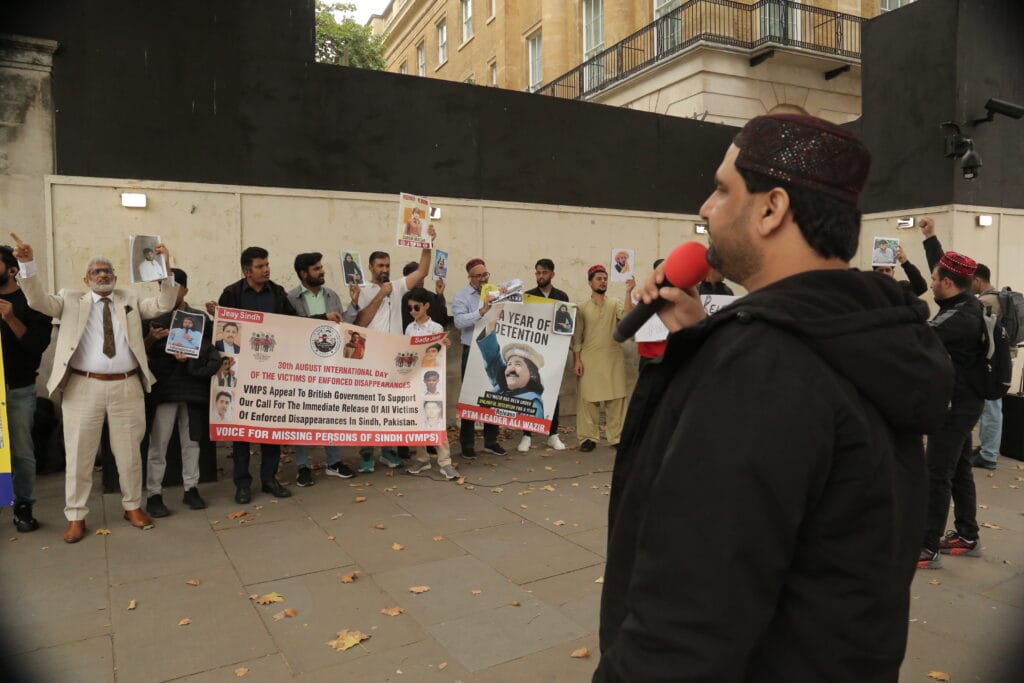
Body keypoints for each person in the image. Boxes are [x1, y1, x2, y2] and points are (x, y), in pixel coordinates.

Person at [596, 114, 953, 680]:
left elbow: (685, 624)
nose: (705, 209)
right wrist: (695, 339)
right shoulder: (868, 335)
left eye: (721, 188)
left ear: (771, 208)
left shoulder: (762, 367)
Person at [12, 233, 179, 543]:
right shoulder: (70, 300)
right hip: (82, 387)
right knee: (79, 454)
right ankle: (76, 515)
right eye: (96, 272)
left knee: (129, 453)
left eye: (108, 271)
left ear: (115, 277)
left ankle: (132, 506)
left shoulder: (128, 299)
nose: (103, 275)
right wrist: (27, 264)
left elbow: (163, 304)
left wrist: (165, 271)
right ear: (86, 279)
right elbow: (36, 300)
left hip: (127, 387)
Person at [916, 217, 988, 569]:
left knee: (937, 472)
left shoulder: (958, 318)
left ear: (947, 284)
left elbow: (918, 338)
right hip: (965, 400)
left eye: (933, 279)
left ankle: (926, 547)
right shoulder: (964, 301)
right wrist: (930, 238)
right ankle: (967, 534)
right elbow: (943, 267)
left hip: (957, 405)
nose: (930, 281)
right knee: (958, 469)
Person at [216, 246, 297, 504]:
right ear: (246, 271)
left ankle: (270, 479)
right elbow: (223, 332)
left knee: (269, 426)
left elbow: (295, 324)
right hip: (241, 372)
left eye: (267, 265)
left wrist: (323, 319)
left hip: (271, 370)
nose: (266, 270)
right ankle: (242, 483)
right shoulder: (232, 293)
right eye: (260, 266)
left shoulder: (278, 293)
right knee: (241, 429)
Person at [354, 229, 435, 472]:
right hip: (370, 358)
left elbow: (421, 271)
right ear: (370, 267)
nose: (384, 269)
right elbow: (360, 323)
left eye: (387, 265)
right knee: (369, 409)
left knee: (390, 406)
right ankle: (367, 454)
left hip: (395, 359)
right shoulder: (362, 290)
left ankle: (388, 452)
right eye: (380, 265)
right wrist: (381, 294)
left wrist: (428, 244)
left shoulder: (397, 286)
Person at [142, 268, 220, 517]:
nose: (168, 292)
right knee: (159, 444)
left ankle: (191, 488)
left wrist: (189, 359)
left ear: (185, 289)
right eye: (163, 287)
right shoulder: (151, 316)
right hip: (164, 389)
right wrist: (152, 339)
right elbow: (138, 354)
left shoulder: (199, 318)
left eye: (174, 287)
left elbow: (211, 351)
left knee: (192, 442)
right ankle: (154, 493)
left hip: (193, 387)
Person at [287, 252, 356, 486]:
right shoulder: (291, 298)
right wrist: (323, 319)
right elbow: (292, 328)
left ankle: (334, 462)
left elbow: (344, 325)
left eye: (321, 267)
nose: (322, 271)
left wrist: (354, 305)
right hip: (303, 367)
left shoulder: (332, 295)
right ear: (303, 274)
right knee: (303, 417)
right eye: (316, 269)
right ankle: (302, 465)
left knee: (330, 413)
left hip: (329, 366)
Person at [0, 245, 53, 533]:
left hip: (17, 389)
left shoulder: (31, 301)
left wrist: (10, 318)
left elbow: (37, 346)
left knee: (21, 451)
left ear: (11, 269)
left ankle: (23, 506)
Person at [572, 265, 633, 452]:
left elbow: (627, 317)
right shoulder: (582, 307)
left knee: (616, 400)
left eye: (605, 278)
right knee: (588, 401)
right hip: (589, 359)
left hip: (612, 358)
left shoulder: (615, 303)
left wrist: (629, 292)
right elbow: (577, 337)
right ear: (590, 282)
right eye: (598, 278)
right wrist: (577, 360)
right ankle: (588, 438)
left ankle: (616, 437)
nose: (602, 281)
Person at [403, 287, 459, 480]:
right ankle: (422, 457)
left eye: (416, 307)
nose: (412, 312)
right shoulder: (410, 328)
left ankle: (445, 461)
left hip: (433, 378)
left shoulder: (435, 328)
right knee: (417, 418)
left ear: (426, 306)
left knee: (435, 416)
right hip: (415, 378)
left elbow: (440, 352)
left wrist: (444, 345)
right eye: (409, 308)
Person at [452, 258, 506, 458]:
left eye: (486, 274)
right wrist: (480, 311)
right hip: (471, 350)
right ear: (470, 277)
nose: (484, 279)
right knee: (471, 397)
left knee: (493, 394)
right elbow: (458, 322)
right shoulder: (462, 296)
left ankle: (491, 441)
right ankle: (467, 444)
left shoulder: (495, 292)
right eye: (479, 276)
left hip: (492, 347)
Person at [519, 258, 569, 452]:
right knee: (528, 392)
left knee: (552, 393)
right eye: (538, 273)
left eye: (544, 273)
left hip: (554, 353)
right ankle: (526, 435)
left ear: (552, 274)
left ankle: (552, 434)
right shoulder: (528, 296)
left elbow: (566, 326)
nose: (541, 276)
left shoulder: (562, 296)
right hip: (531, 353)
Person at [971, 263, 1005, 471]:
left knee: (991, 407)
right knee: (991, 405)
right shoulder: (1000, 298)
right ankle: (987, 449)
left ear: (977, 280)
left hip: (993, 361)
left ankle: (989, 454)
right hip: (1003, 359)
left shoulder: (986, 301)